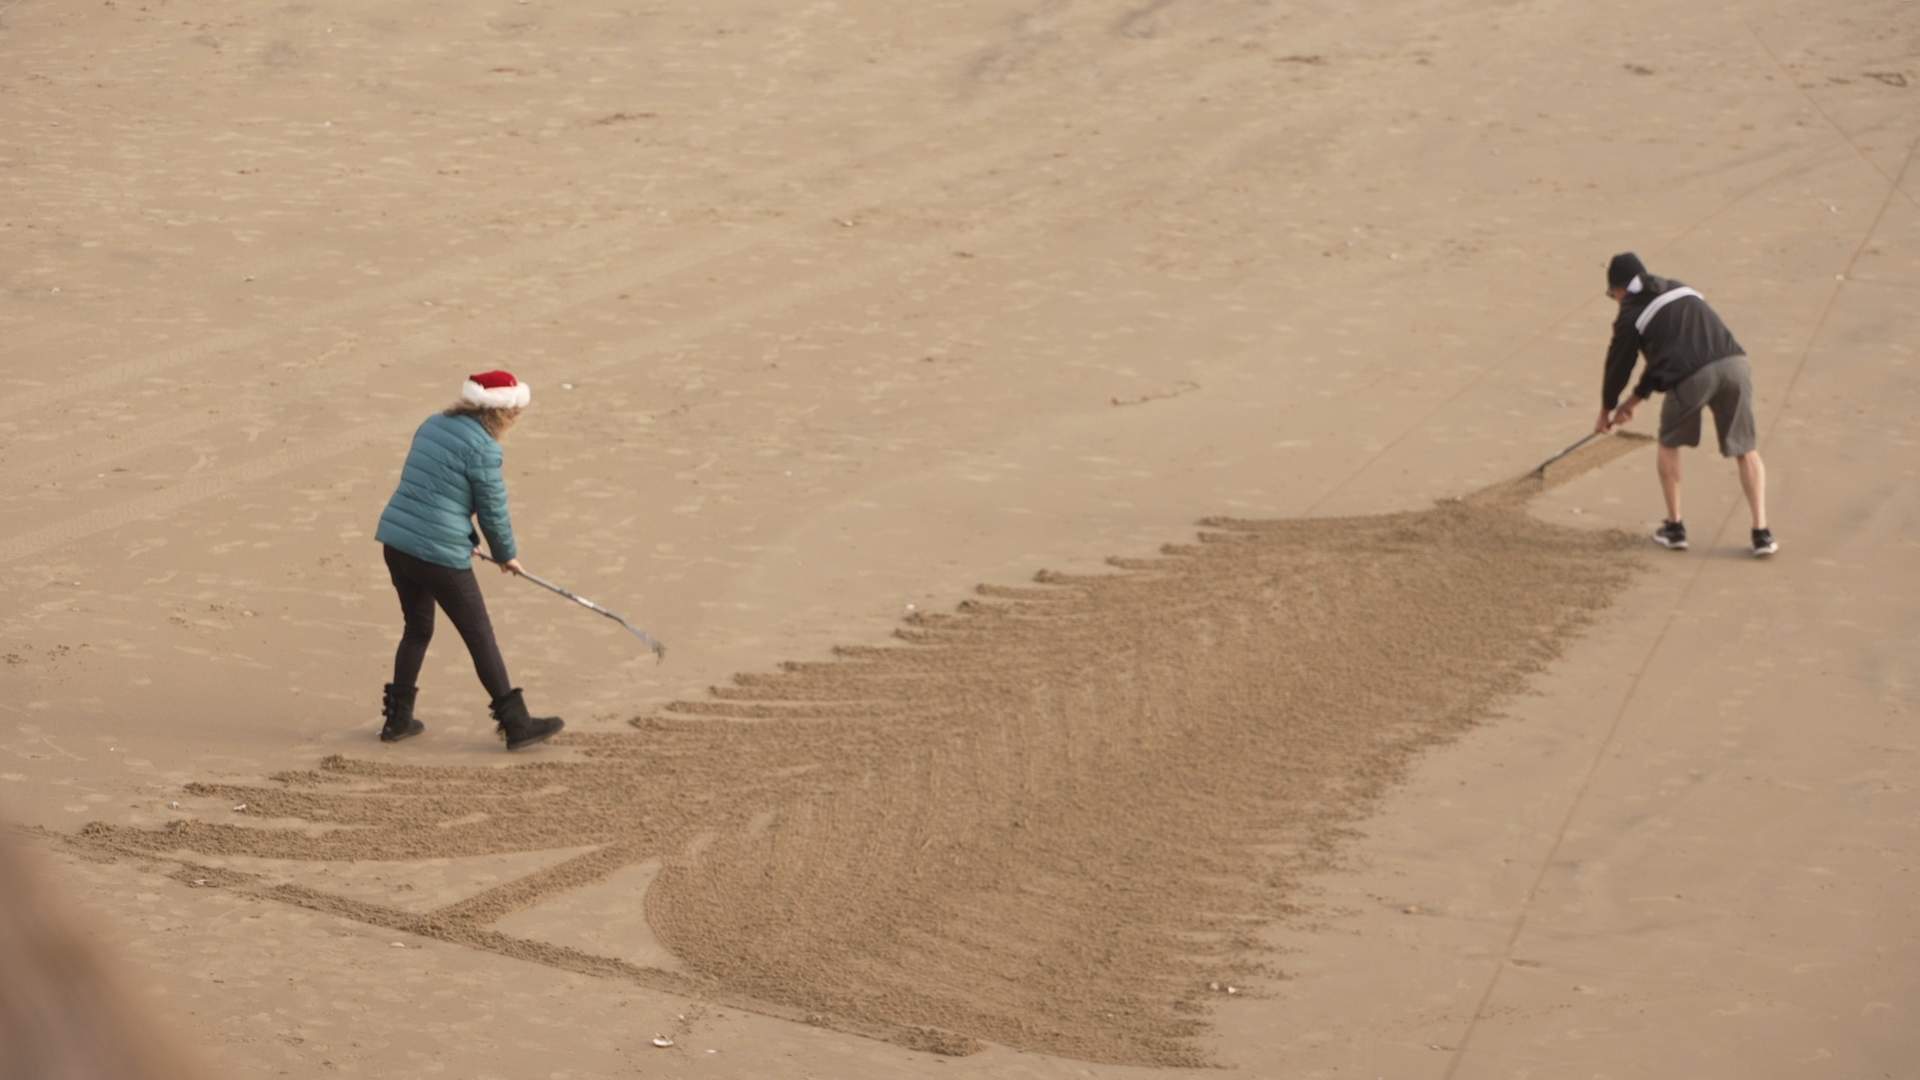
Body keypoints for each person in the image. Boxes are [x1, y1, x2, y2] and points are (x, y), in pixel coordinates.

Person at [373, 370, 565, 750]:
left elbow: (437, 490)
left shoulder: (433, 424)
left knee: (417, 629)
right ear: (502, 413)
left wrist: (468, 539)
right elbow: (492, 510)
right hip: (437, 555)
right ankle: (517, 726)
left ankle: (397, 721)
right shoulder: (485, 449)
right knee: (480, 635)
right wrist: (506, 555)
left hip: (397, 542)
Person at [1596, 253, 1777, 557]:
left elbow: (1619, 365)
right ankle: (1762, 533)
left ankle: (1675, 527)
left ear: (1620, 290)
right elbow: (1667, 354)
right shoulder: (1678, 287)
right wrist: (1636, 399)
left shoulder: (1630, 314)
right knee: (1746, 449)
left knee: (1669, 443)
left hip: (1692, 377)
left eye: (1613, 295)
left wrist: (1606, 410)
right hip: (1735, 365)